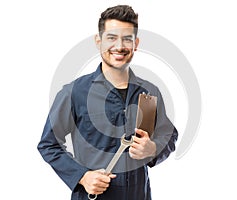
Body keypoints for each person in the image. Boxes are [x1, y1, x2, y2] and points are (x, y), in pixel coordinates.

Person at [38, 5, 178, 200]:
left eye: (127, 39)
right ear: (99, 41)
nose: (119, 46)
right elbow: (48, 144)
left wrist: (152, 149)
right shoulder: (74, 92)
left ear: (135, 43)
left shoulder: (150, 92)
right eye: (111, 38)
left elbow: (168, 136)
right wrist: (82, 176)